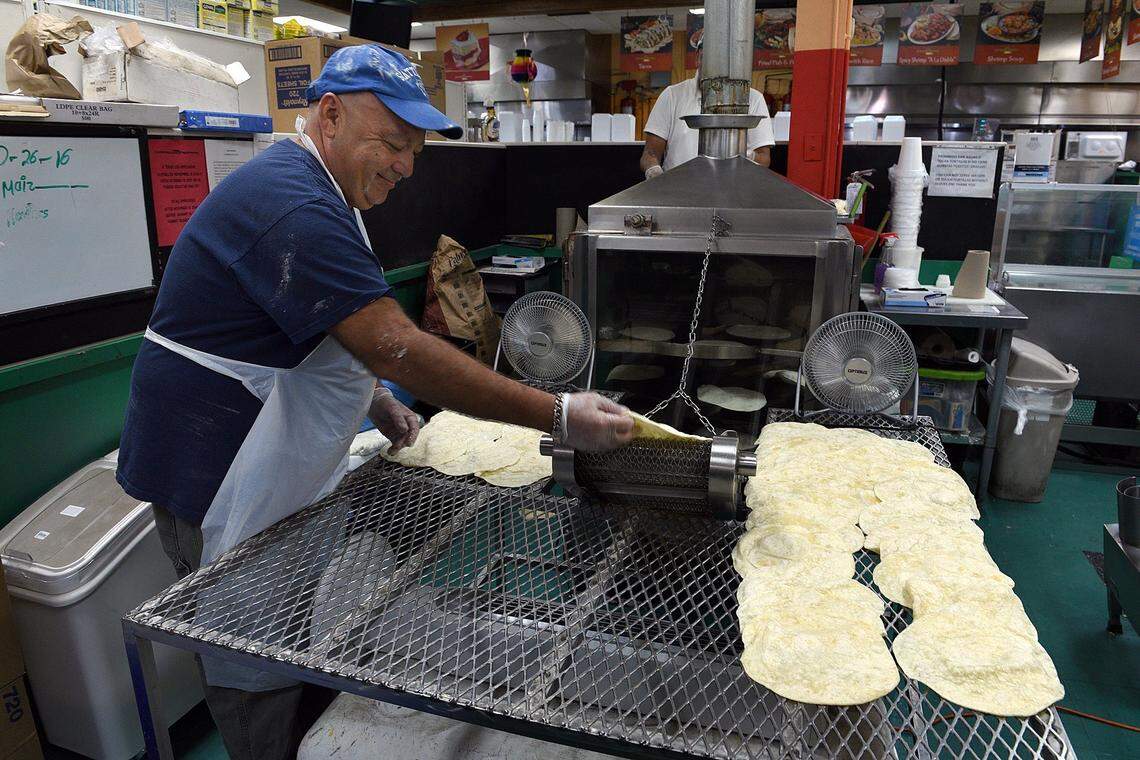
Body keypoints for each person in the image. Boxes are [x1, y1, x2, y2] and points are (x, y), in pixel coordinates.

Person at [116, 44, 633, 760]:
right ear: (328, 115)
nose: (404, 166)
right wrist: (556, 414)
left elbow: (322, 326)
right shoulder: (291, 199)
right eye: (391, 143)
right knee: (250, 645)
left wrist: (375, 405)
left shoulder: (329, 188)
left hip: (275, 463)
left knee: (297, 626)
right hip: (213, 468)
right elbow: (391, 342)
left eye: (415, 150)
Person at [639, 68, 775, 179]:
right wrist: (655, 175)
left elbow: (763, 159)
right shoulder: (672, 95)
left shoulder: (754, 98)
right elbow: (650, 153)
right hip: (679, 192)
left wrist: (745, 154)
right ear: (698, 56)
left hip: (735, 194)